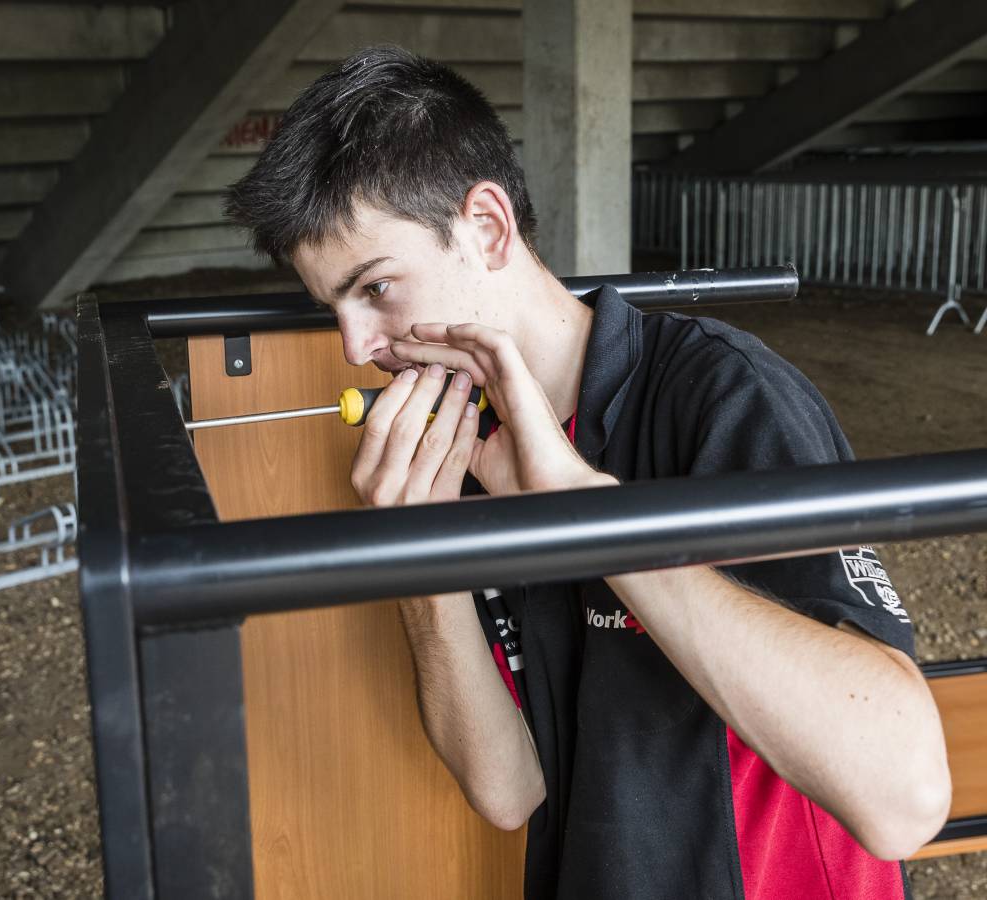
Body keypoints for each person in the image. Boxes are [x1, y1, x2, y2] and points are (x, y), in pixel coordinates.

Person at [224, 46, 949, 900]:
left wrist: (583, 511)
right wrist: (415, 556)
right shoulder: (462, 438)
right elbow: (508, 788)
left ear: (488, 228)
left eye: (375, 288)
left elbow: (904, 797)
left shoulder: (723, 394)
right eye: (332, 311)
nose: (355, 348)